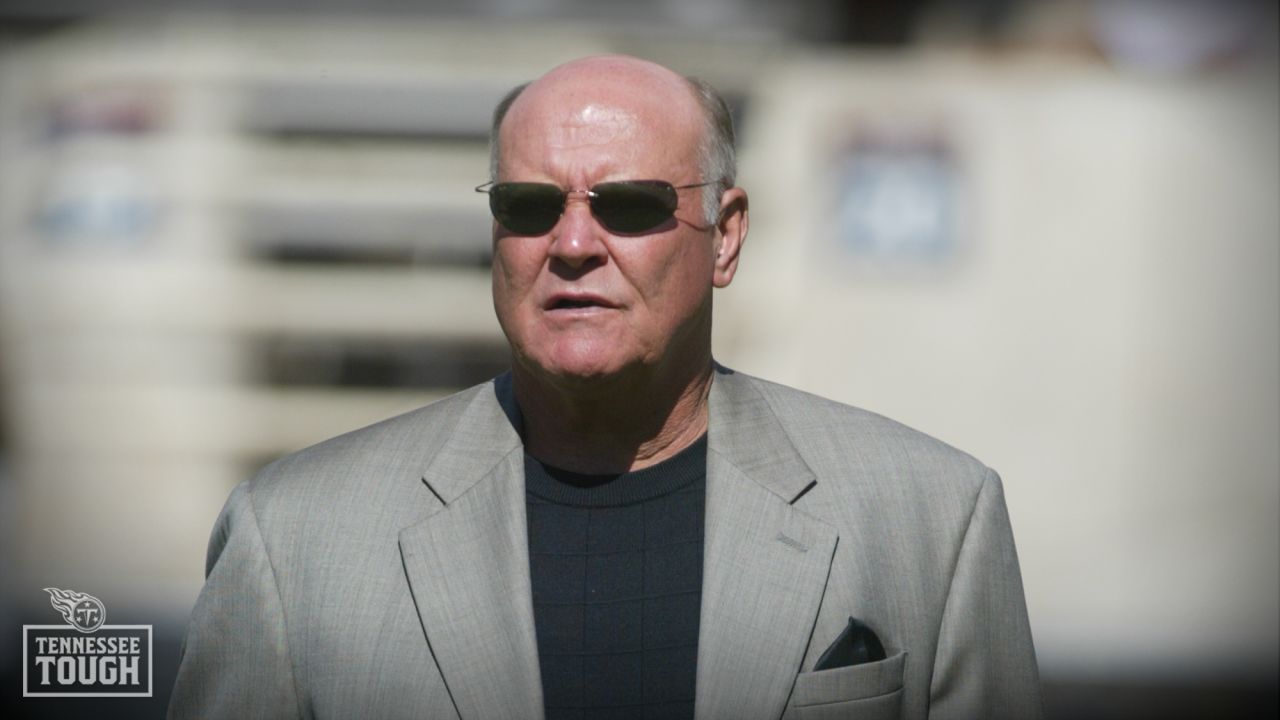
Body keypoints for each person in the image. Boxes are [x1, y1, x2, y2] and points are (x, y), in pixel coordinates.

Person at [168, 55, 1043, 720]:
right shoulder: (292, 539)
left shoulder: (932, 518)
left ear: (726, 236)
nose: (574, 243)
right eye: (529, 205)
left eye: (627, 205)